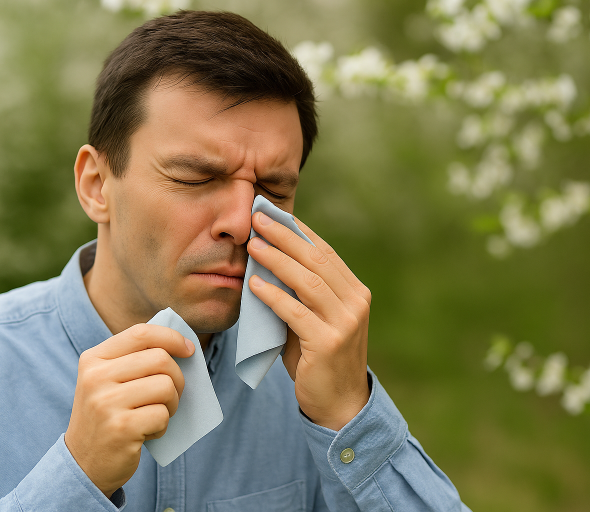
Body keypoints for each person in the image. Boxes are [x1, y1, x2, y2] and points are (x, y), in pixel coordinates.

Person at [0, 10, 470, 512]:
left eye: (272, 190)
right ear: (96, 186)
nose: (243, 224)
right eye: (195, 178)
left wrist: (350, 416)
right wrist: (76, 478)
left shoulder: (308, 384)